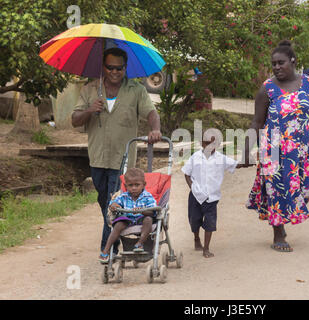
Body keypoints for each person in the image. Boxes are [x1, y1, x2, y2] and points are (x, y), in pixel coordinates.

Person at [239, 40, 309, 252]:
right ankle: (278, 234)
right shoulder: (267, 89)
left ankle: (281, 221)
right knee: (277, 191)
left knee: (304, 191)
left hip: (301, 151)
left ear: (293, 61)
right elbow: (256, 122)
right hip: (273, 150)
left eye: (280, 62)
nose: (276, 67)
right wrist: (246, 150)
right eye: (273, 63)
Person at [72, 47, 162, 256]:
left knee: (111, 203)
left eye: (119, 68)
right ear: (103, 67)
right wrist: (89, 110)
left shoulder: (136, 90)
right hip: (97, 157)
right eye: (110, 67)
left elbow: (151, 113)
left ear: (125, 68)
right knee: (104, 200)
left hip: (123, 159)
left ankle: (108, 249)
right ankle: (120, 233)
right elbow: (75, 120)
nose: (115, 72)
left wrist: (155, 129)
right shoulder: (90, 90)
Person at [181, 129, 239, 258]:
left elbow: (235, 165)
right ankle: (196, 238)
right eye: (207, 143)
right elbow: (186, 174)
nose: (210, 146)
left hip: (212, 197)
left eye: (214, 144)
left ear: (218, 145)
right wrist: (192, 188)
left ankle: (206, 248)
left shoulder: (221, 158)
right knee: (194, 220)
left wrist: (251, 162)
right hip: (195, 196)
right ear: (202, 143)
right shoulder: (195, 157)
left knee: (210, 222)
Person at [98, 168, 157, 263]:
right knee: (118, 224)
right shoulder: (123, 196)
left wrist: (143, 211)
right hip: (127, 219)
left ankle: (140, 243)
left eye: (137, 185)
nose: (134, 188)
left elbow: (153, 211)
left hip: (142, 219)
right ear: (126, 186)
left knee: (149, 219)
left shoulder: (147, 197)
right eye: (130, 185)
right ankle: (106, 250)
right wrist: (114, 205)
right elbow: (113, 203)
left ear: (144, 185)